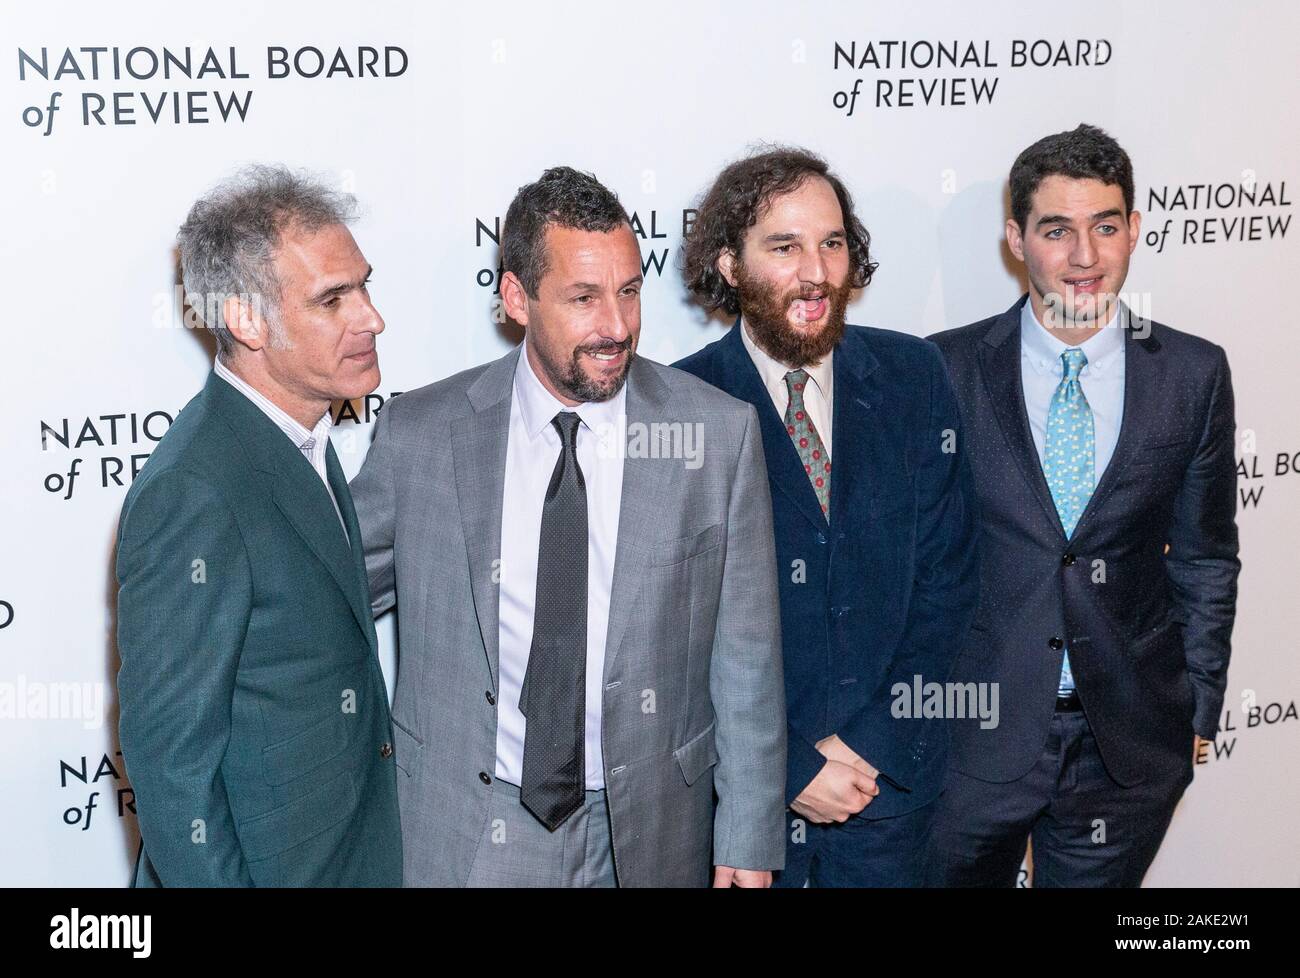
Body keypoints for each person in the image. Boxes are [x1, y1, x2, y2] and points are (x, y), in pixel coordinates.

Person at [350, 165, 786, 887]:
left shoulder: (716, 433)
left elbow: (747, 657)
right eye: (583, 298)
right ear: (518, 299)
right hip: (472, 825)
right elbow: (333, 604)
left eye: (628, 291)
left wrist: (747, 833)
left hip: (647, 830)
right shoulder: (422, 437)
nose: (615, 326)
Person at [926, 124, 1240, 887]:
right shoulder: (943, 367)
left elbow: (1205, 555)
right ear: (1015, 238)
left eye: (1106, 227)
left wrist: (1197, 706)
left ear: (1134, 228)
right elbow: (911, 560)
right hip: (973, 741)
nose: (1085, 256)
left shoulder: (1192, 373)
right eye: (1056, 230)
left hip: (1127, 744)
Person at [674, 147, 979, 887]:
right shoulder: (683, 404)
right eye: (785, 247)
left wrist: (870, 743)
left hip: (890, 800)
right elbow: (671, 634)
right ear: (729, 264)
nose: (815, 272)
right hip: (741, 814)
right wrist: (788, 765)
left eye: (832, 244)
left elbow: (949, 583)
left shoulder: (913, 376)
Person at [116, 164, 401, 886]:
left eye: (364, 285)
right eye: (333, 299)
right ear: (246, 320)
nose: (371, 317)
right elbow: (172, 766)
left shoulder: (301, 437)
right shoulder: (195, 490)